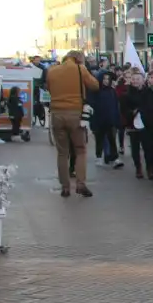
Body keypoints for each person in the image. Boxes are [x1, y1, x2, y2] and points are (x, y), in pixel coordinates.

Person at [46, 50, 99, 198]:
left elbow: (49, 89)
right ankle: (81, 184)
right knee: (80, 149)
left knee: (62, 152)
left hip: (57, 114)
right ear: (78, 59)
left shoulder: (52, 71)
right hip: (75, 114)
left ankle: (65, 187)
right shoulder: (80, 68)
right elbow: (95, 85)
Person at [89, 71, 123, 168]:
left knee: (112, 139)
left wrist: (117, 119)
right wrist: (92, 121)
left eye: (108, 79)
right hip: (99, 120)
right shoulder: (95, 91)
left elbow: (115, 106)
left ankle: (114, 157)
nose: (106, 81)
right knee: (99, 139)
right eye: (104, 79)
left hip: (110, 120)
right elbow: (92, 105)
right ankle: (99, 156)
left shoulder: (112, 91)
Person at [119, 71, 149, 179]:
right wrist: (132, 112)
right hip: (133, 124)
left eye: (138, 79)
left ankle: (149, 168)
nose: (135, 81)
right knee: (135, 148)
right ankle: (138, 168)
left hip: (146, 124)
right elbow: (123, 109)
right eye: (134, 79)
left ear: (143, 80)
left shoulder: (148, 92)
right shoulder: (126, 94)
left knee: (148, 147)